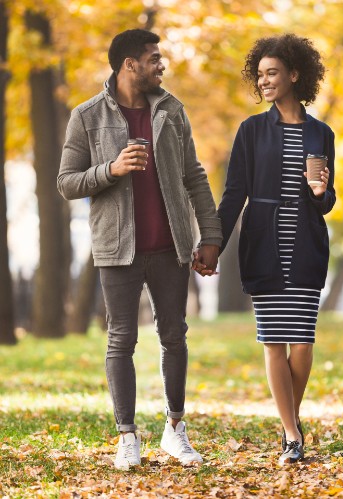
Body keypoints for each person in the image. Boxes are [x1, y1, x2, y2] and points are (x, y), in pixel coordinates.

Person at [57, 29, 221, 469]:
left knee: (174, 337)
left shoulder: (171, 110)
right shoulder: (87, 116)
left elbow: (194, 177)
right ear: (129, 64)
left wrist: (211, 236)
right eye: (153, 58)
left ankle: (175, 428)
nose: (160, 65)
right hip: (117, 248)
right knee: (121, 340)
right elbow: (67, 182)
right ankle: (127, 434)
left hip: (171, 246)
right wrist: (110, 169)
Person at [216, 33, 336, 465]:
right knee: (274, 343)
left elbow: (326, 200)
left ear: (294, 75)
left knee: (301, 343)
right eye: (260, 75)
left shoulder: (322, 133)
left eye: (273, 73)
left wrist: (320, 191)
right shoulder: (251, 131)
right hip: (263, 243)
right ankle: (292, 434)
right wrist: (214, 243)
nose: (265, 81)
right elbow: (233, 195)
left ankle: (291, 422)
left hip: (305, 243)